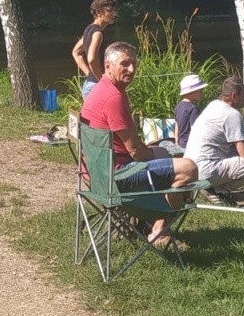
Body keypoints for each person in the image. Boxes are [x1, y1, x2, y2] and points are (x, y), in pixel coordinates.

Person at [79, 41, 198, 244]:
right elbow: (135, 151)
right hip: (115, 178)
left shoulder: (100, 89)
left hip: (94, 172)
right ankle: (160, 229)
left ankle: (152, 224)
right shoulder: (113, 98)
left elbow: (131, 145)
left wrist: (158, 152)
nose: (132, 69)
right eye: (125, 64)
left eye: (134, 63)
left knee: (162, 153)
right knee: (188, 168)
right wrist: (156, 153)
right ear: (107, 66)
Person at [185, 75, 244, 200]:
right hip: (207, 170)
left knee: (239, 154)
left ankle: (214, 186)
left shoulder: (213, 105)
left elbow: (235, 140)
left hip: (191, 169)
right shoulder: (233, 115)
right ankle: (218, 190)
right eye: (243, 95)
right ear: (234, 96)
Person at [71, 0, 118, 100]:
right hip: (96, 86)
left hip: (90, 83)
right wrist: (102, 81)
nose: (114, 14)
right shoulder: (98, 33)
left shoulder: (89, 29)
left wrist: (89, 73)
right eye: (110, 11)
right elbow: (91, 58)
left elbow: (76, 52)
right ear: (98, 12)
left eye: (115, 10)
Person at [174, 73, 206, 148]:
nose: (202, 93)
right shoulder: (193, 108)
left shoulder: (178, 106)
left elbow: (177, 126)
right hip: (190, 145)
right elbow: (195, 129)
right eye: (200, 91)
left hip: (181, 144)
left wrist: (176, 142)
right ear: (191, 92)